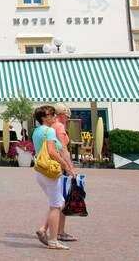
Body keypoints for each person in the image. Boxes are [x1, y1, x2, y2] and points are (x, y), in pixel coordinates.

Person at [33, 105, 74, 250]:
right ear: (44, 118)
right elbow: (52, 152)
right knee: (56, 205)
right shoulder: (49, 131)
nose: (55, 116)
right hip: (50, 170)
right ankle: (53, 239)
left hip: (40, 170)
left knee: (58, 202)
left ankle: (44, 229)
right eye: (52, 114)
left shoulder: (36, 131)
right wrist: (66, 165)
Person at [52, 103, 79, 244]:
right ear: (62, 114)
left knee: (57, 199)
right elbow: (63, 149)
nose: (67, 119)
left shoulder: (50, 126)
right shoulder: (59, 127)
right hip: (61, 165)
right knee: (62, 199)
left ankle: (55, 230)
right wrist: (70, 167)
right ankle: (57, 231)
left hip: (53, 165)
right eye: (67, 116)